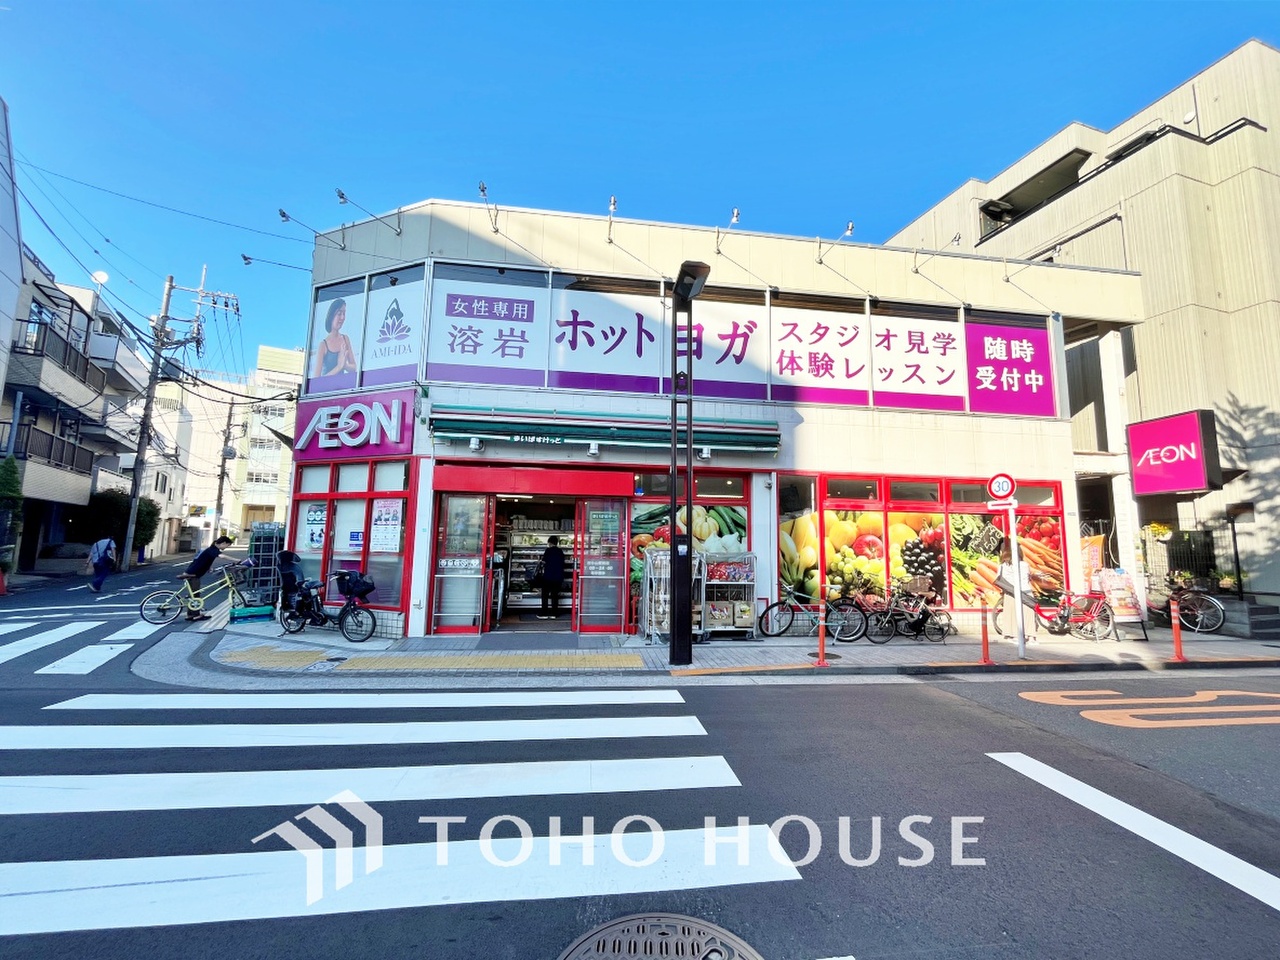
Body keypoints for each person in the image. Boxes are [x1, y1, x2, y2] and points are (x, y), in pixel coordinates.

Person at [995, 539, 1054, 639]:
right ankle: (1030, 636)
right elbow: (1027, 577)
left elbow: (999, 578)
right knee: (1028, 615)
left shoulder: (1002, 566)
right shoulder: (1024, 565)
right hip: (1026, 593)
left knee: (1011, 615)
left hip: (1011, 593)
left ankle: (1013, 635)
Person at [178, 535, 234, 621]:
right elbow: (222, 556)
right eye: (227, 545)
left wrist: (208, 567)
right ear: (223, 543)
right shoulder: (213, 549)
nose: (226, 547)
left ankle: (190, 615)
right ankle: (196, 615)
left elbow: (203, 560)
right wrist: (236, 560)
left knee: (193, 595)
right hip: (193, 574)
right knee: (195, 595)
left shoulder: (211, 549)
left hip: (191, 573)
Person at [313, 299, 358, 378]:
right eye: (339, 314)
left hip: (342, 384)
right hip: (327, 385)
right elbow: (316, 379)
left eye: (344, 314)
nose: (342, 317)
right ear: (331, 315)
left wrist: (345, 365)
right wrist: (339, 367)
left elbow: (354, 367)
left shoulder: (345, 339)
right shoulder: (323, 345)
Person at [538, 535, 567, 619]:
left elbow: (544, 561)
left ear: (549, 542)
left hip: (548, 576)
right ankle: (554, 613)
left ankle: (544, 613)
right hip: (558, 577)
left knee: (545, 595)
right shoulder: (560, 551)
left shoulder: (548, 550)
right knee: (555, 595)